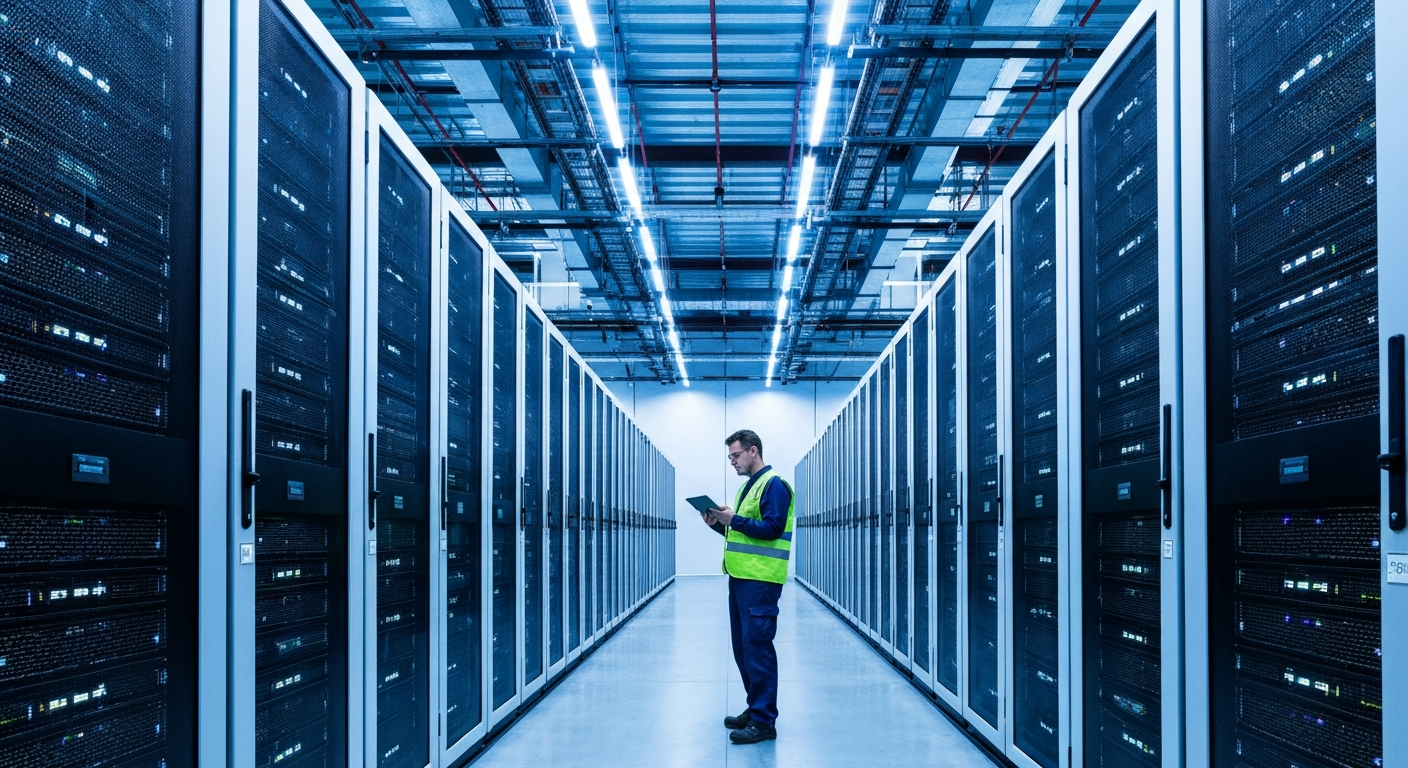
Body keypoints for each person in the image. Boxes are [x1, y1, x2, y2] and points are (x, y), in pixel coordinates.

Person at [701, 429, 794, 745]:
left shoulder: (774, 485)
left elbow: (772, 528)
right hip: (741, 579)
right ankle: (755, 710)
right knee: (743, 650)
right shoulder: (746, 489)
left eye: (735, 455)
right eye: (730, 457)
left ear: (753, 451)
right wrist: (719, 525)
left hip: (762, 581)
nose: (732, 462)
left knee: (758, 648)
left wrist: (734, 521)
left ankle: (765, 721)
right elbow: (741, 536)